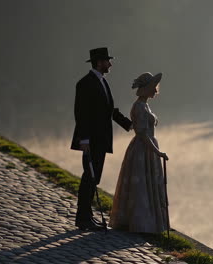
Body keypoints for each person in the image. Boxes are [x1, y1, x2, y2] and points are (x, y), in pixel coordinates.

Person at [71, 47, 132, 231]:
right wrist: (84, 139)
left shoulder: (102, 82)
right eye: (107, 61)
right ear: (99, 62)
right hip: (91, 140)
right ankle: (82, 217)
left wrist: (128, 124)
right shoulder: (85, 83)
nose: (110, 64)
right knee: (89, 177)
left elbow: (108, 110)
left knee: (94, 177)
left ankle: (88, 215)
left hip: (101, 139)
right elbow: (81, 113)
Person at [108, 72, 169, 233]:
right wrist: (158, 152)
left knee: (147, 185)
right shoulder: (139, 107)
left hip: (147, 148)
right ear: (146, 89)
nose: (156, 91)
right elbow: (141, 133)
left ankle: (151, 221)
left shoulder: (145, 105)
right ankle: (140, 223)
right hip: (143, 149)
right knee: (141, 186)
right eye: (153, 88)